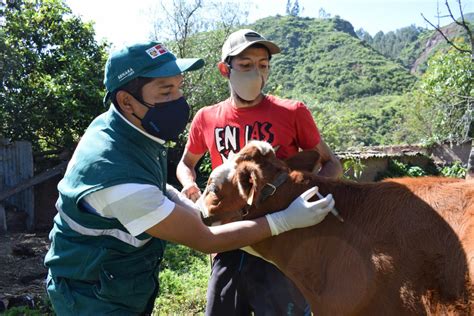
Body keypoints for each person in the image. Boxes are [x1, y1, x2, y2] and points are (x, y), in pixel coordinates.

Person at [43, 40, 336, 315]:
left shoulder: (129, 131)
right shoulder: (116, 175)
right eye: (166, 91)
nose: (179, 100)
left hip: (118, 278)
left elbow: (157, 188)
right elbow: (205, 238)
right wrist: (284, 219)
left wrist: (190, 202)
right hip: (94, 294)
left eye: (179, 88)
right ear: (127, 101)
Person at [176, 29, 343, 315]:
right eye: (245, 65)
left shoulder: (291, 112)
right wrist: (189, 184)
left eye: (263, 65)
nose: (256, 72)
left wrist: (308, 201)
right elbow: (185, 163)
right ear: (224, 69)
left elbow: (332, 163)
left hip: (282, 243)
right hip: (229, 240)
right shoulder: (207, 117)